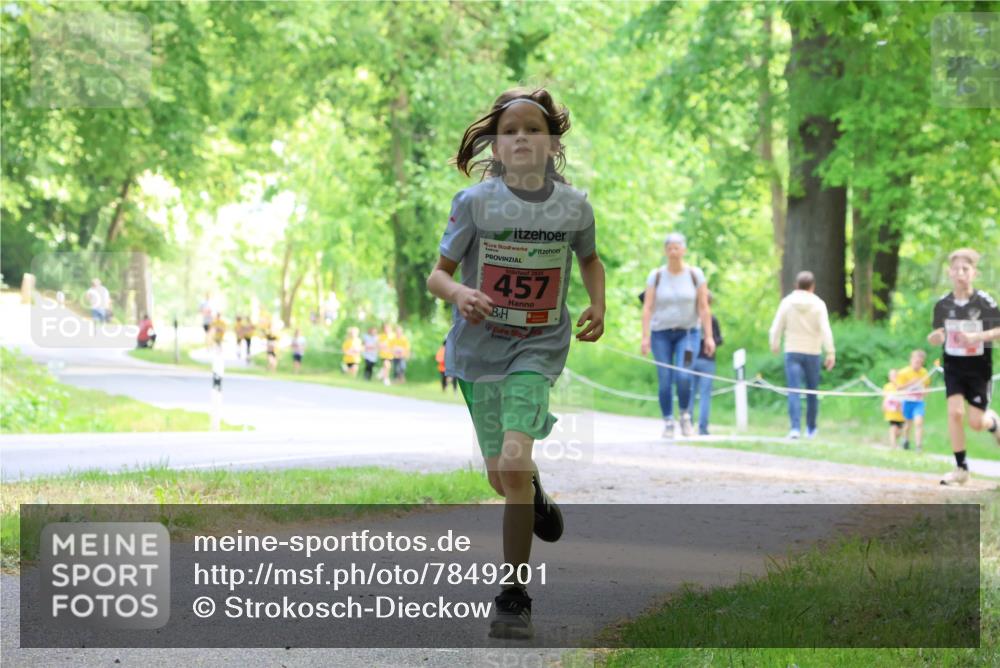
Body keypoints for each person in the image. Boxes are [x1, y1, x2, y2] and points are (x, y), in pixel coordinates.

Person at [427, 88, 605, 640]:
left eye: (534, 128)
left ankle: (514, 594)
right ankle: (534, 495)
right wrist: (459, 295)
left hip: (537, 347)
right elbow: (437, 275)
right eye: (511, 131)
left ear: (553, 143)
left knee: (512, 461)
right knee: (503, 478)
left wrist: (599, 304)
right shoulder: (474, 202)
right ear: (497, 146)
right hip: (479, 352)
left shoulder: (573, 206)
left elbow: (590, 259)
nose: (522, 136)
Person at [927, 248, 1000, 485]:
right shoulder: (942, 304)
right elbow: (938, 332)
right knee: (955, 412)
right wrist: (935, 338)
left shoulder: (984, 301)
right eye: (956, 269)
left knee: (976, 423)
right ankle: (961, 469)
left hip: (979, 367)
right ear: (949, 273)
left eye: (965, 269)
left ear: (974, 273)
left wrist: (979, 336)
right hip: (954, 365)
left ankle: (994, 422)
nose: (960, 274)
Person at [640, 232, 715, 439]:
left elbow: (703, 307)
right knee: (665, 379)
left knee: (683, 375)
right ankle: (668, 421)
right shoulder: (656, 276)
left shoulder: (695, 274)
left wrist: (708, 336)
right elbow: (647, 308)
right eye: (670, 248)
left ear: (684, 250)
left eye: (677, 247)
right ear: (665, 251)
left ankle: (684, 415)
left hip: (688, 334)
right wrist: (645, 337)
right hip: (660, 334)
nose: (673, 251)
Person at [768, 270, 836, 439]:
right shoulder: (819, 304)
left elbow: (776, 326)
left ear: (796, 285)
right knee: (812, 391)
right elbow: (825, 329)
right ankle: (811, 429)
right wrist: (830, 352)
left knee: (794, 390)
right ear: (812, 286)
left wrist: (774, 343)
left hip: (792, 350)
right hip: (813, 351)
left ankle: (795, 428)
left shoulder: (787, 302)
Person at [686, 293, 722, 436]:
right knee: (705, 395)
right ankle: (703, 427)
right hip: (708, 359)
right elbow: (718, 339)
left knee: (689, 393)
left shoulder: (689, 319)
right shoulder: (712, 320)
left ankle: (687, 424)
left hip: (690, 358)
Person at [895, 349, 931, 451]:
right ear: (911, 360)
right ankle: (905, 440)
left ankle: (918, 446)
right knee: (907, 425)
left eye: (920, 362)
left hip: (918, 402)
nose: (918, 364)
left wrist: (925, 391)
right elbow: (898, 388)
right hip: (907, 401)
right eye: (916, 362)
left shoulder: (924, 372)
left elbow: (927, 386)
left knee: (918, 422)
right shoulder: (903, 372)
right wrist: (910, 383)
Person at [882, 369, 904, 449]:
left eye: (895, 375)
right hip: (891, 412)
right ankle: (893, 445)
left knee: (899, 431)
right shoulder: (887, 387)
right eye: (892, 376)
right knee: (893, 427)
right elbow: (885, 399)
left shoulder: (901, 385)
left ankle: (892, 439)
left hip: (900, 413)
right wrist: (883, 407)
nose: (894, 377)